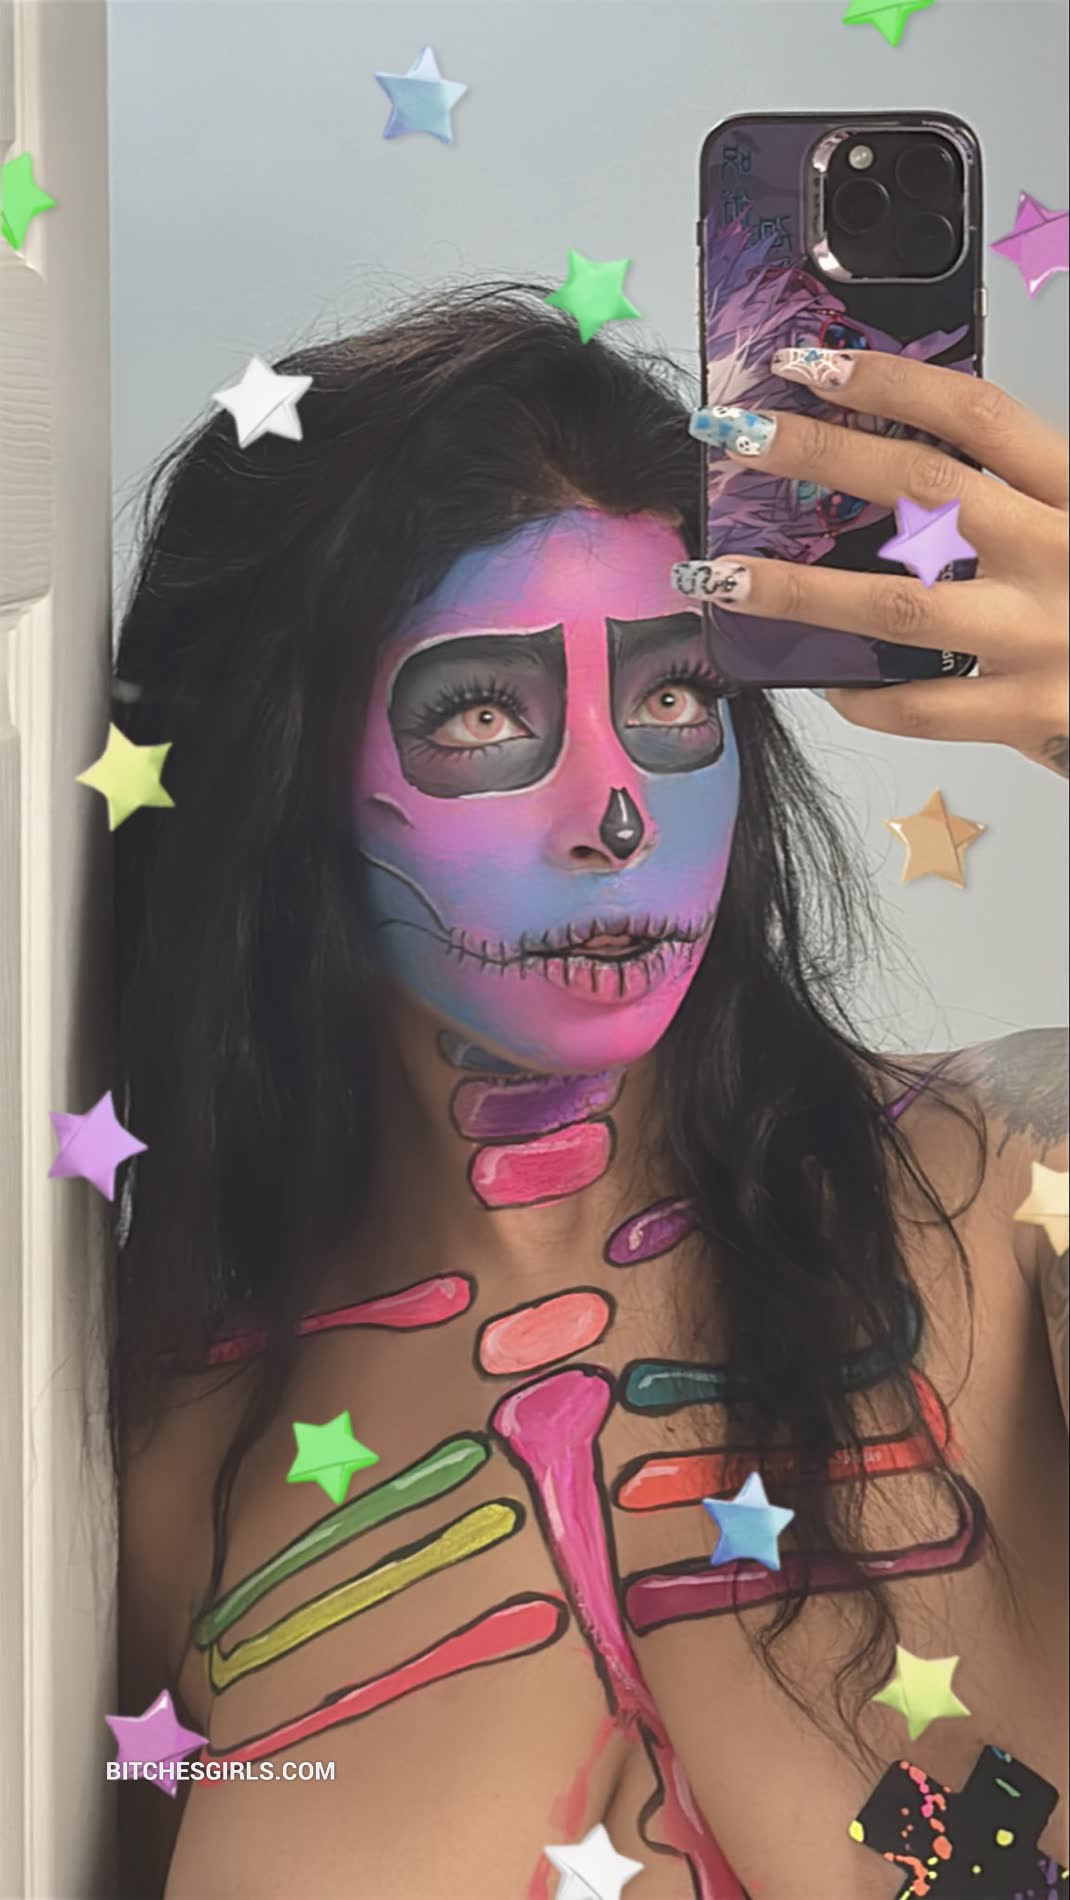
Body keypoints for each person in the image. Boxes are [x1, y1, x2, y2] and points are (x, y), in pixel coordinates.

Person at [111, 280, 1068, 1900]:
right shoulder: (169, 1468)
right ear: (273, 780)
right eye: (484, 712)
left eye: (670, 696)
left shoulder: (1010, 1201)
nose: (614, 816)